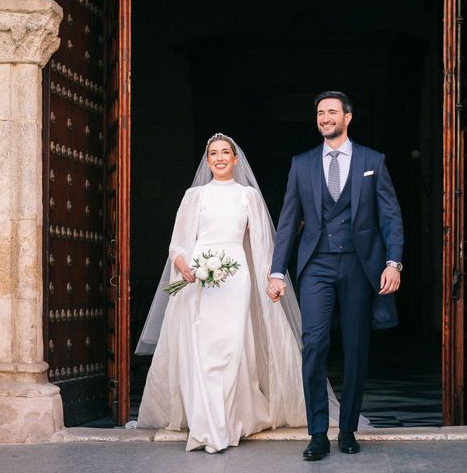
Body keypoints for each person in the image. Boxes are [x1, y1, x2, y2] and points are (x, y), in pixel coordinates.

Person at [134, 134, 351, 453]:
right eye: (213, 154)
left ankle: (231, 419)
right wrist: (183, 265)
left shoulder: (247, 196)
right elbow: (177, 244)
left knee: (232, 349)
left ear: (236, 160)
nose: (219, 158)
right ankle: (210, 426)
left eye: (225, 153)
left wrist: (272, 279)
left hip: (235, 277)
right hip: (199, 279)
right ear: (207, 162)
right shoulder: (194, 196)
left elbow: (263, 245)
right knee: (203, 353)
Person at [267, 91, 404, 461]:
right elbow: (287, 221)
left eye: (332, 112)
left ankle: (347, 430)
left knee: (357, 346)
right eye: (320, 113)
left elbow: (390, 217)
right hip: (316, 266)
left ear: (347, 118)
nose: (325, 118)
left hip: (361, 268)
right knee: (313, 345)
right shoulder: (302, 163)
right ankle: (317, 434)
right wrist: (277, 270)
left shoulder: (373, 161)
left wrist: (393, 263)